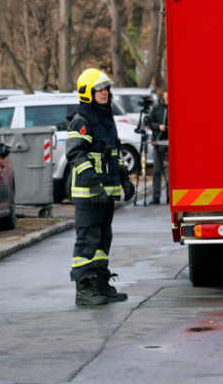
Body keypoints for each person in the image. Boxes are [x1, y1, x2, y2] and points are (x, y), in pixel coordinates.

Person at [68, 68, 135, 306]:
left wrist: (125, 179)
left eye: (106, 88)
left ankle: (99, 283)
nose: (105, 93)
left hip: (105, 192)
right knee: (87, 238)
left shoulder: (106, 119)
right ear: (88, 92)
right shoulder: (82, 120)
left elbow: (114, 153)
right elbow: (76, 153)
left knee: (102, 238)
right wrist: (93, 184)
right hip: (89, 193)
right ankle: (83, 288)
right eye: (99, 89)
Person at [146, 89, 168, 205]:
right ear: (163, 95)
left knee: (172, 172)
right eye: (166, 94)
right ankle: (156, 197)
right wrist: (158, 126)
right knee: (157, 170)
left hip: (172, 143)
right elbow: (149, 122)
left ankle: (170, 196)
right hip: (159, 141)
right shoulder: (157, 108)